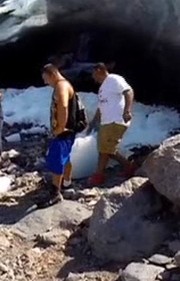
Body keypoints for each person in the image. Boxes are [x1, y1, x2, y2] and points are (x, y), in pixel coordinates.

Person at [86, 63, 137, 186]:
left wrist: (127, 110)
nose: (93, 78)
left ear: (99, 70)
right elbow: (101, 107)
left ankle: (98, 176)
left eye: (94, 74)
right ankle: (129, 167)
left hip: (116, 120)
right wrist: (93, 123)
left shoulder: (114, 79)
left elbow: (129, 91)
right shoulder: (103, 88)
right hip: (106, 122)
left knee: (105, 149)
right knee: (108, 148)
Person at [40, 63, 78, 207]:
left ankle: (55, 193)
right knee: (65, 157)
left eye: (46, 79)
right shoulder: (64, 84)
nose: (46, 83)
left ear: (52, 74)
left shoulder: (61, 86)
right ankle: (67, 183)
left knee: (57, 159)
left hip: (64, 131)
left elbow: (63, 106)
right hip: (68, 130)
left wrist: (60, 127)